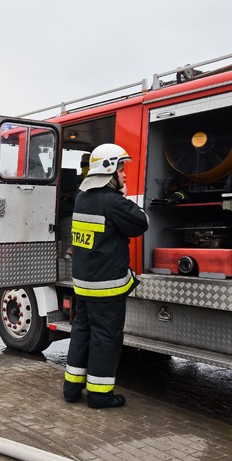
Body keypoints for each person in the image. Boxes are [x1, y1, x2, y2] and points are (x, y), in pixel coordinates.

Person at [63, 143, 149, 409]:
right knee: (105, 338)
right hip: (106, 288)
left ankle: (72, 389)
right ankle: (99, 395)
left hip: (83, 285)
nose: (124, 174)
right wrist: (124, 197)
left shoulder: (82, 198)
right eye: (121, 169)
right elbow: (141, 223)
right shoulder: (113, 202)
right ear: (109, 170)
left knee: (81, 332)